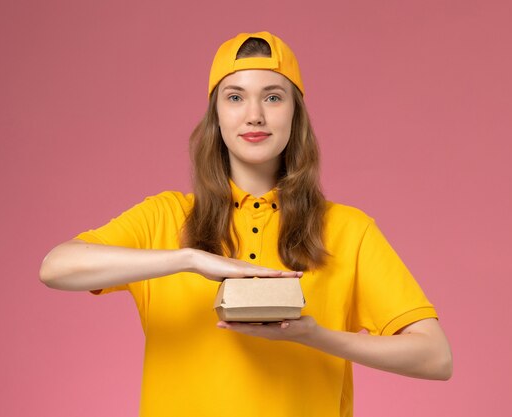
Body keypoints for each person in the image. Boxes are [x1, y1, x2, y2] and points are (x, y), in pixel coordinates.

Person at [40, 31, 452, 417]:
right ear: (216, 115)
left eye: (273, 98)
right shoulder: (164, 217)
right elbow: (56, 267)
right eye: (235, 97)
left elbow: (436, 357)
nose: (254, 115)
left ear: (296, 114)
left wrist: (311, 335)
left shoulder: (347, 229)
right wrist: (189, 259)